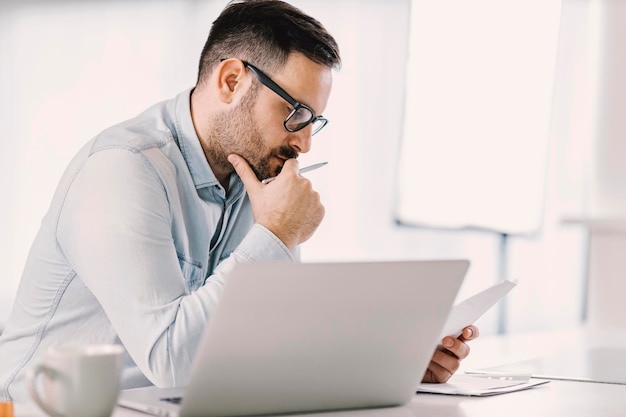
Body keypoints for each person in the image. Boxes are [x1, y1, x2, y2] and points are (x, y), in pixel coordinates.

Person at [0, 0, 478, 402]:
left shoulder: (252, 172)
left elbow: (273, 340)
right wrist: (274, 234)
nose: (305, 143)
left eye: (315, 121)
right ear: (231, 81)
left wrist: (394, 362)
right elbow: (172, 360)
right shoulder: (123, 168)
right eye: (296, 112)